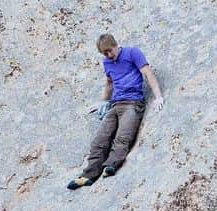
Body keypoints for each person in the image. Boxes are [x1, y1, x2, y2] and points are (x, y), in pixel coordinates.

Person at [67, 34, 165, 190]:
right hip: (115, 105)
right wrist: (102, 102)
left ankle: (110, 166)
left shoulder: (133, 53)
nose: (108, 56)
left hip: (133, 103)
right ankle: (88, 175)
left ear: (115, 45)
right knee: (99, 140)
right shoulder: (107, 62)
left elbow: (148, 73)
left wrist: (158, 96)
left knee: (123, 136)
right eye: (104, 54)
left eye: (110, 51)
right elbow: (109, 84)